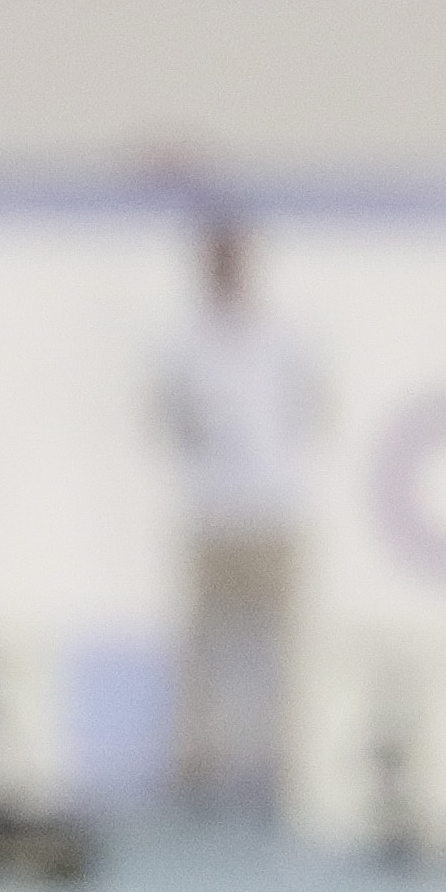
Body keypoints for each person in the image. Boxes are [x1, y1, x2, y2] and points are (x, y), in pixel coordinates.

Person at [157, 210, 318, 813]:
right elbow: (171, 418)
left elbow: (314, 405)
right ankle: (197, 762)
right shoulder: (184, 341)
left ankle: (289, 762)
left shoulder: (284, 336)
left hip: (274, 511)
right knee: (201, 649)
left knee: (282, 647)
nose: (224, 270)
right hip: (209, 515)